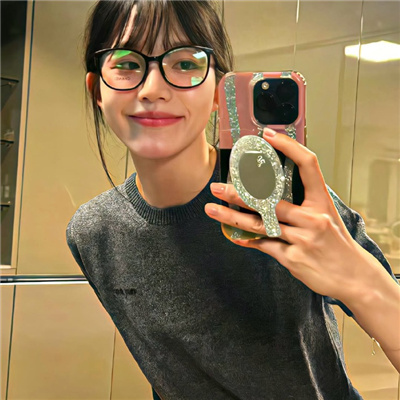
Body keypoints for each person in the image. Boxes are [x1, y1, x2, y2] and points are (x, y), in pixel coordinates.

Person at [66, 1, 400, 399]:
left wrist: (361, 282)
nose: (153, 90)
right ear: (96, 90)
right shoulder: (94, 233)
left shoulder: (285, 201)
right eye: (126, 63)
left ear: (218, 94)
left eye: (185, 63)